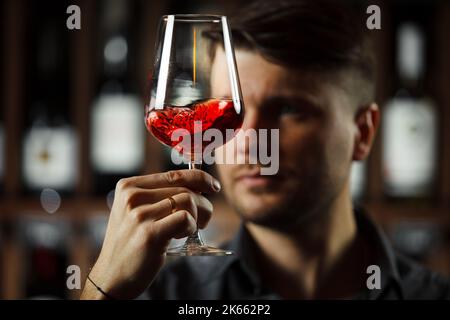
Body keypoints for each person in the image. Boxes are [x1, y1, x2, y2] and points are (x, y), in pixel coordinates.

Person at [81, 0, 450, 300]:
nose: (249, 139)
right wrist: (101, 291)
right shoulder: (163, 295)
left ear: (362, 132)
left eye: (288, 109)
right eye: (228, 108)